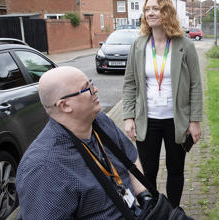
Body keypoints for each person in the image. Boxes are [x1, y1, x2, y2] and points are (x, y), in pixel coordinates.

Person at [16, 66, 148, 219]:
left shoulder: (98, 121)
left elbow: (130, 157)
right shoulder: (44, 168)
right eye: (87, 88)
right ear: (65, 106)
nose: (96, 90)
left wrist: (144, 196)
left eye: (91, 83)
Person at [122, 0, 202, 208]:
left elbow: (195, 85)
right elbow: (130, 83)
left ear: (166, 12)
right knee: (147, 171)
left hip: (177, 120)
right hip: (147, 120)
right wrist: (128, 116)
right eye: (147, 9)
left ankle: (173, 210)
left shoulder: (185, 45)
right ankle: (154, 210)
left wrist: (194, 121)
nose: (150, 13)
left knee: (175, 169)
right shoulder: (138, 45)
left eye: (155, 9)